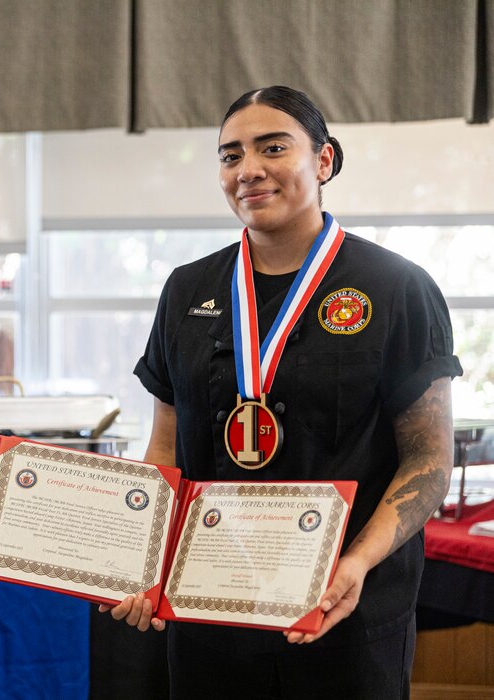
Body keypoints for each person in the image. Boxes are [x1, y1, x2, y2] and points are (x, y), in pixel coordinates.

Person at [107, 86, 462, 698]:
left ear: (323, 161)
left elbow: (428, 460)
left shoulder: (397, 287)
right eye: (230, 155)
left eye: (273, 148)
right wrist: (143, 559)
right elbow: (165, 445)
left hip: (341, 611)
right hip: (208, 614)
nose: (249, 170)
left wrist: (356, 565)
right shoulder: (187, 289)